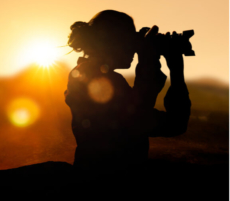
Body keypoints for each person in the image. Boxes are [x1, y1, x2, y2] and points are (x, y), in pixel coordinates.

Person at [64, 10, 191, 176]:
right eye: (130, 40)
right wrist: (162, 64)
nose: (134, 48)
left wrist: (152, 60)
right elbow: (170, 123)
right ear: (112, 42)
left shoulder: (85, 73)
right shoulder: (97, 81)